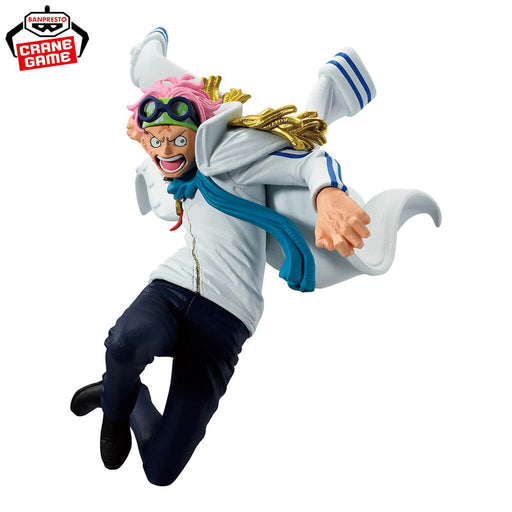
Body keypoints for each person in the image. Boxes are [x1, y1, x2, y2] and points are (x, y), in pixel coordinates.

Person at [71, 28, 441, 487]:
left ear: (200, 133)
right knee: (124, 342)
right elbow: (161, 153)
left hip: (226, 317)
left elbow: (306, 159)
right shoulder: (173, 178)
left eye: (177, 141)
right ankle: (115, 405)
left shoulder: (236, 159)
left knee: (161, 470)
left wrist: (328, 195)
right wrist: (148, 128)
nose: (166, 151)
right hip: (172, 288)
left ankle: (129, 396)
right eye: (156, 141)